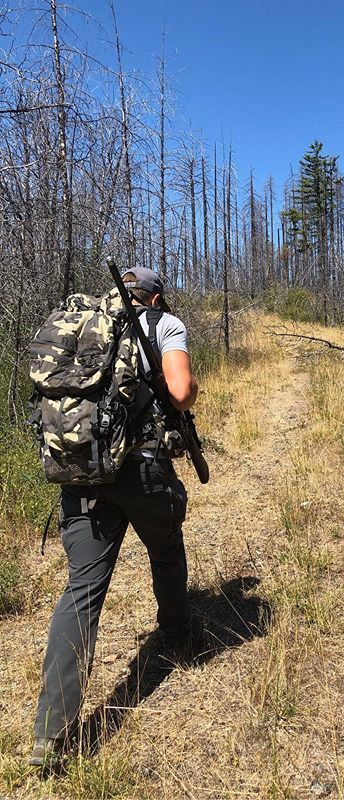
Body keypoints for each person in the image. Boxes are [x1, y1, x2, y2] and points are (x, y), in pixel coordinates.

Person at [29, 267, 199, 768]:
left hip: (80, 471)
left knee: (81, 590)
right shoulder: (162, 324)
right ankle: (177, 634)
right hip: (141, 469)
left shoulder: (81, 322)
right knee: (166, 549)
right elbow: (182, 391)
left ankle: (51, 734)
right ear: (156, 295)